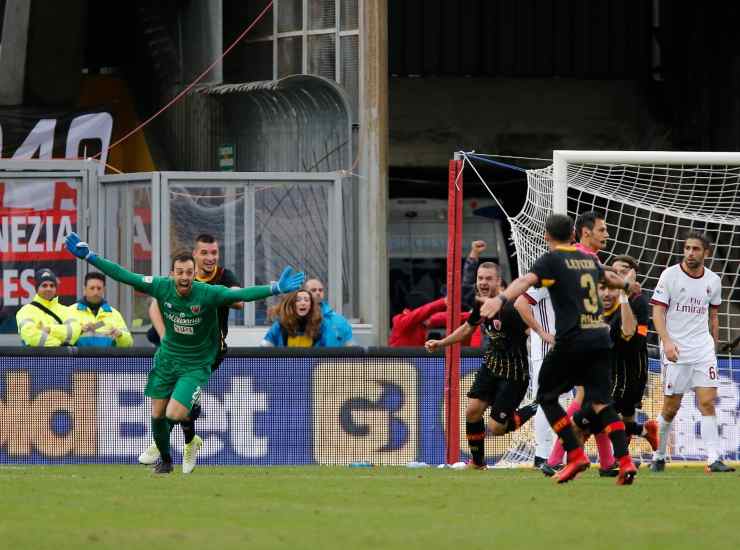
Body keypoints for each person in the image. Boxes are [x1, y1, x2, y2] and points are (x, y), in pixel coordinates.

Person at [64, 231, 304, 474]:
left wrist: (275, 288)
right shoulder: (161, 287)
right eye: (180, 273)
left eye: (189, 273)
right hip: (167, 359)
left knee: (174, 412)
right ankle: (167, 461)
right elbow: (124, 275)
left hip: (197, 362)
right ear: (172, 273)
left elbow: (240, 295)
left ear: (193, 273)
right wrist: (91, 257)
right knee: (157, 416)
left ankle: (189, 433)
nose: (185, 277)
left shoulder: (208, 293)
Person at [479, 213, 641, 485]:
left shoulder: (553, 260)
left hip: (573, 340)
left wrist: (501, 298)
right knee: (601, 402)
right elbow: (609, 278)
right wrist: (626, 285)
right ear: (575, 235)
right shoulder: (589, 258)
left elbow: (524, 283)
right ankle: (624, 462)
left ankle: (575, 454)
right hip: (599, 337)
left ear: (546, 236)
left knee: (546, 396)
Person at [140, 234, 243, 471]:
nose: (210, 258)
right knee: (178, 404)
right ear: (194, 256)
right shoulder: (181, 274)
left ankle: (162, 443)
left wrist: (223, 293)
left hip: (207, 352)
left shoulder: (223, 277)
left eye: (214, 253)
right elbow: (155, 304)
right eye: (205, 253)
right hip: (175, 349)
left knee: (181, 405)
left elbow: (239, 300)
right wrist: (165, 336)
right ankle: (187, 442)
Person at [425, 282, 538, 469]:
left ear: (499, 282)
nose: (483, 282)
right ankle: (478, 463)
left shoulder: (514, 307)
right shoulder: (480, 306)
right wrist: (442, 342)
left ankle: (537, 406)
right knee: (472, 412)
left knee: (496, 428)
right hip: (490, 366)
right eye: (480, 278)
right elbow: (467, 328)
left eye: (488, 278)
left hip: (514, 373)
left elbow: (533, 331)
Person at [650, 232, 735, 473]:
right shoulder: (669, 276)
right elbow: (657, 312)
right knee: (671, 407)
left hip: (703, 349)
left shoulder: (714, 280)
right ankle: (658, 455)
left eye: (695, 249)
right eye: (687, 248)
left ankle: (713, 458)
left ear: (705, 253)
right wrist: (666, 342)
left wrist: (714, 346)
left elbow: (714, 316)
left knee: (707, 403)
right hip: (676, 348)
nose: (690, 253)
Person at [542, 210, 618, 476]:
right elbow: (523, 300)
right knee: (589, 397)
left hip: (584, 338)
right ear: (584, 233)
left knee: (591, 398)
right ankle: (554, 460)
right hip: (577, 340)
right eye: (602, 230)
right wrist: (544, 334)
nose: (606, 235)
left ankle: (607, 463)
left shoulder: (589, 258)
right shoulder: (570, 259)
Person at [605, 256, 658, 449]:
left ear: (633, 275)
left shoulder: (638, 300)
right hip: (612, 364)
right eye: (616, 271)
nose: (619, 274)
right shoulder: (607, 296)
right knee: (624, 413)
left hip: (631, 367)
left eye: (624, 270)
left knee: (602, 414)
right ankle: (641, 434)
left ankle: (621, 454)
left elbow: (638, 338)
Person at [514, 286, 556, 473]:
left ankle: (555, 455)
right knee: (548, 400)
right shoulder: (546, 277)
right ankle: (542, 455)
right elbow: (520, 303)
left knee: (574, 400)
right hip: (549, 350)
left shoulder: (572, 273)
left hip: (570, 346)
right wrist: (540, 331)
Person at [16, 268, 80, 347]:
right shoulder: (25, 311)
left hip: (62, 358)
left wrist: (50, 329)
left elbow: (74, 333)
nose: (48, 289)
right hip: (36, 359)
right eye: (44, 285)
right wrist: (59, 345)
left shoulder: (66, 310)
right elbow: (31, 336)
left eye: (52, 285)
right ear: (37, 288)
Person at [70, 272, 133, 347]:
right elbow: (62, 341)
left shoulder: (114, 314)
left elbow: (129, 344)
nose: (96, 292)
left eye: (99, 288)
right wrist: (79, 330)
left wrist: (120, 335)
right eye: (92, 288)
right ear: (84, 289)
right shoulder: (70, 311)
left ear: (104, 290)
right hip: (79, 359)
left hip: (106, 359)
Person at [261, 289, 327, 347]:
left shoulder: (320, 326)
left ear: (311, 305)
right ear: (292, 305)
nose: (303, 303)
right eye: (298, 300)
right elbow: (264, 348)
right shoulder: (279, 326)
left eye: (306, 300)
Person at [304, 277, 354, 346]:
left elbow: (350, 345)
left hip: (333, 356)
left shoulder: (339, 320)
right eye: (313, 290)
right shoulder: (299, 317)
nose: (318, 292)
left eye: (320, 290)